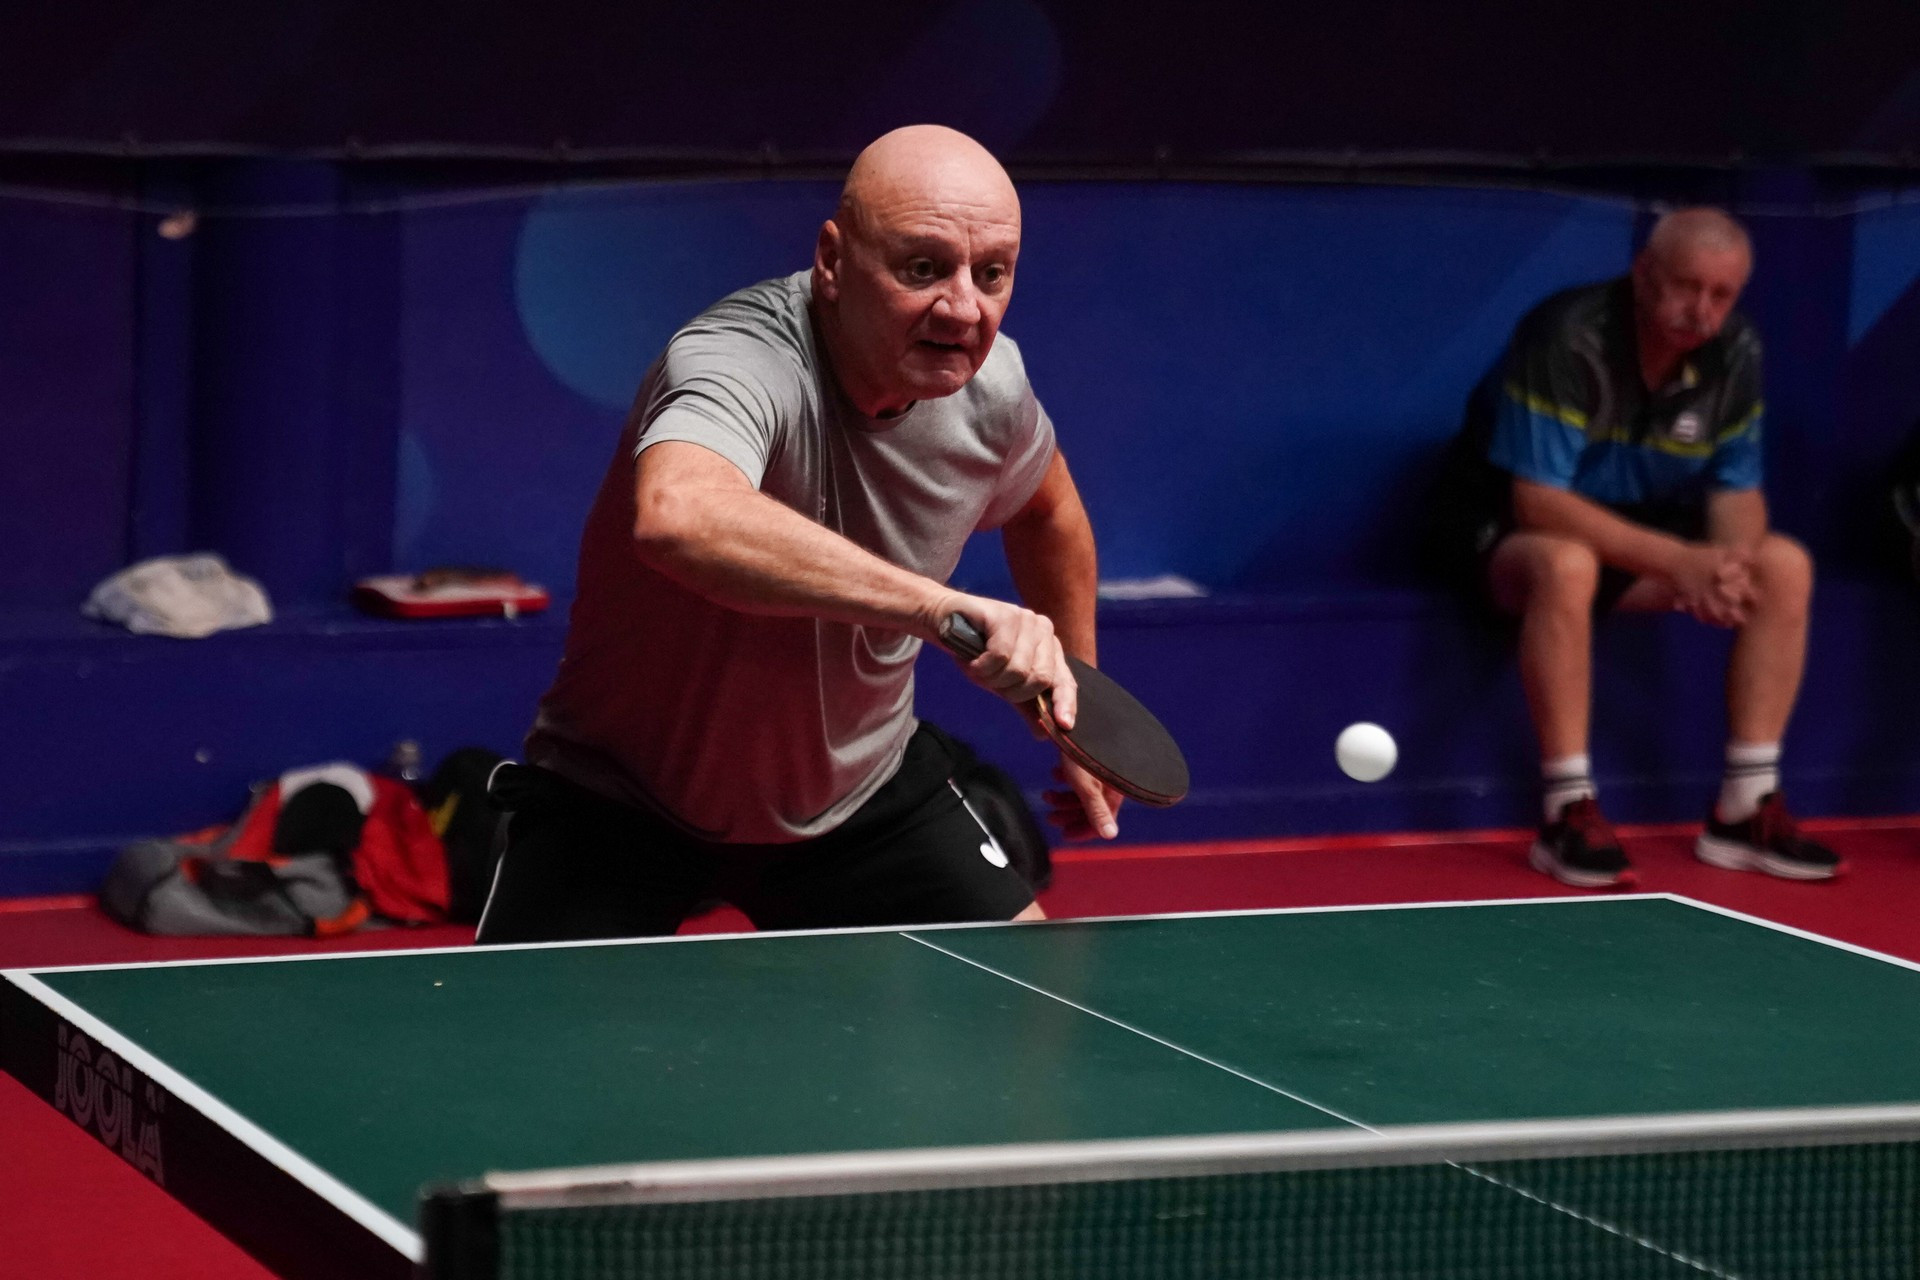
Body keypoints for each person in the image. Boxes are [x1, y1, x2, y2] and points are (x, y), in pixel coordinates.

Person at [474, 125, 1122, 944]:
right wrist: (936, 608)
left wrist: (1079, 706)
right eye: (922, 268)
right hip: (620, 800)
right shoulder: (738, 358)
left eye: (992, 274)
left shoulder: (992, 390)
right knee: (517, 1030)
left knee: (1036, 999)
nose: (964, 308)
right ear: (833, 261)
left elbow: (1047, 511)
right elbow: (679, 516)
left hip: (858, 799)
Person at [1448, 207, 1840, 888]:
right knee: (1567, 564)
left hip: (1636, 533)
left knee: (1783, 566)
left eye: (1721, 294)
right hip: (1503, 529)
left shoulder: (1735, 351)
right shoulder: (1568, 336)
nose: (1703, 310)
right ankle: (1568, 808)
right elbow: (1538, 502)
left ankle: (1744, 806)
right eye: (1688, 287)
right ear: (1644, 274)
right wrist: (1681, 563)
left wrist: (1730, 569)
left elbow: (1736, 491)